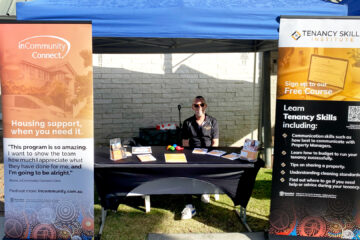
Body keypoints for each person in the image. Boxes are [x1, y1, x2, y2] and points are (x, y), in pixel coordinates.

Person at [180, 96, 219, 219]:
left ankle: (205, 191)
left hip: (208, 154)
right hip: (192, 154)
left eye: (201, 105)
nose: (199, 107)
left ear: (205, 106)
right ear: (193, 107)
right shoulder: (187, 122)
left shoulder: (213, 121)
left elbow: (215, 143)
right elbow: (185, 142)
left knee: (208, 171)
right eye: (196, 105)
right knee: (186, 175)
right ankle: (189, 205)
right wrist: (187, 158)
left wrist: (211, 157)